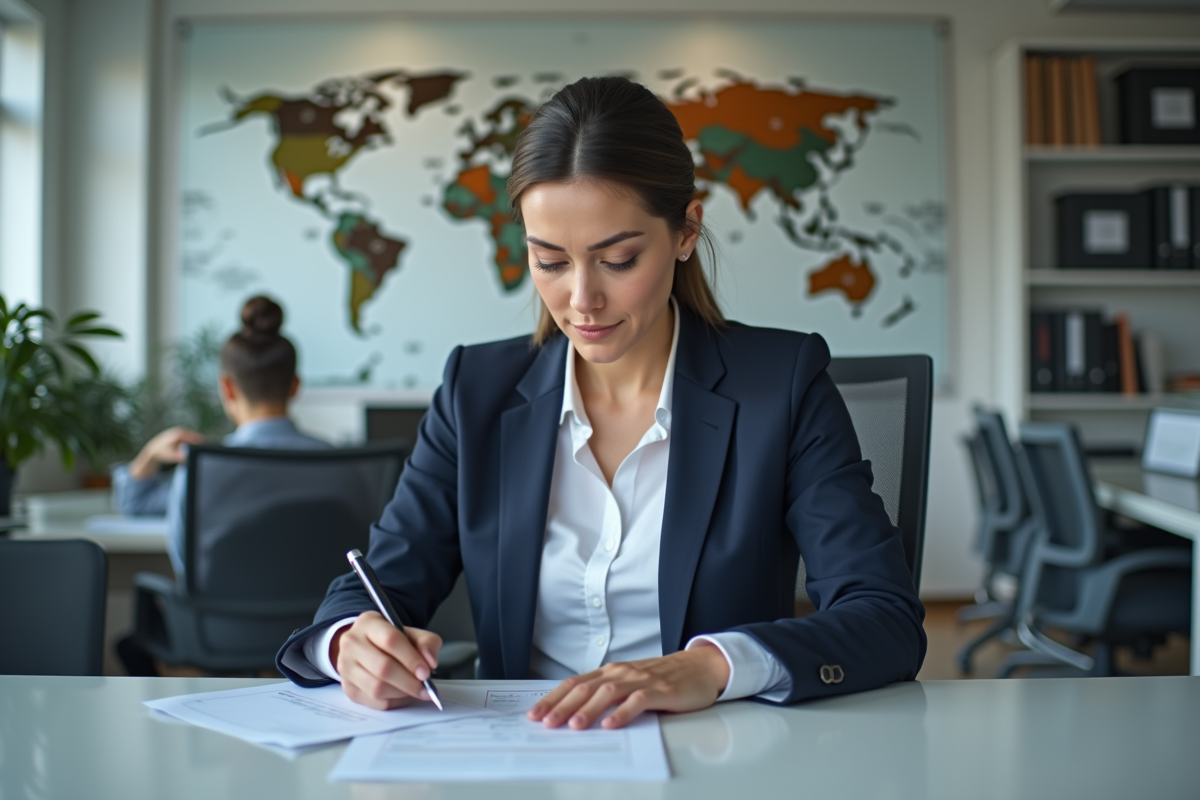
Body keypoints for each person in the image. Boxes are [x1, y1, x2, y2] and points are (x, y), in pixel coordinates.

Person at [276, 77, 925, 730]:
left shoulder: (780, 385)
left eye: (618, 259)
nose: (581, 300)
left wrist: (709, 666)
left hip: (712, 759)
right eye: (550, 262)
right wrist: (347, 646)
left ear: (686, 231)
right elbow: (375, 588)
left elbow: (884, 617)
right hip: (520, 756)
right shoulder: (476, 389)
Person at [112, 295, 331, 579]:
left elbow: (139, 508)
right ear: (295, 386)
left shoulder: (202, 469)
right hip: (323, 620)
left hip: (221, 623)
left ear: (227, 388)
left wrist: (151, 453)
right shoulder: (346, 465)